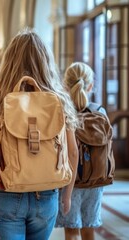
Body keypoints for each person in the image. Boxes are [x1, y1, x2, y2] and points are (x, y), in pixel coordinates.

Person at [0, 29, 79, 239]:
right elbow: (72, 154)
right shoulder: (59, 101)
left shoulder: (0, 100)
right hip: (47, 191)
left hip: (8, 191)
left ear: (9, 63)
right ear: (46, 62)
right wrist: (67, 195)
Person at [55, 62, 106, 240]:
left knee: (71, 231)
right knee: (88, 229)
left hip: (70, 180)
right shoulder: (100, 112)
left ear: (64, 85)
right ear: (90, 85)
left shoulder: (63, 113)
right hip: (95, 181)